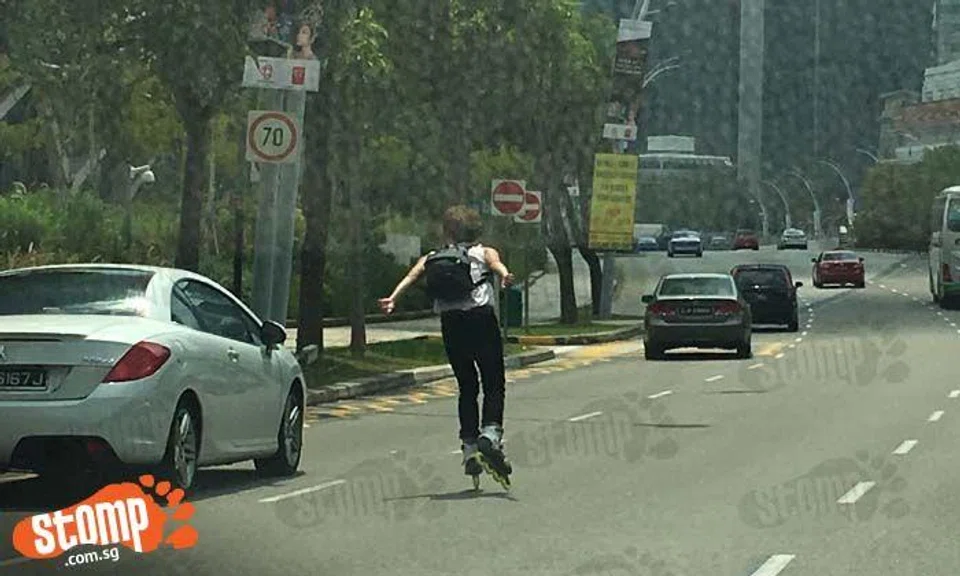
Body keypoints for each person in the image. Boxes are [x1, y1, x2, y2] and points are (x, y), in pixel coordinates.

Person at [378, 206, 516, 488]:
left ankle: (469, 447)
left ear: (447, 231)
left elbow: (412, 276)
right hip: (481, 319)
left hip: (451, 324)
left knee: (467, 385)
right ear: (476, 230)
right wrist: (503, 275)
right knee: (493, 381)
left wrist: (393, 298)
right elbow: (496, 264)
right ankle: (490, 435)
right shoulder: (483, 252)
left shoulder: (433, 257)